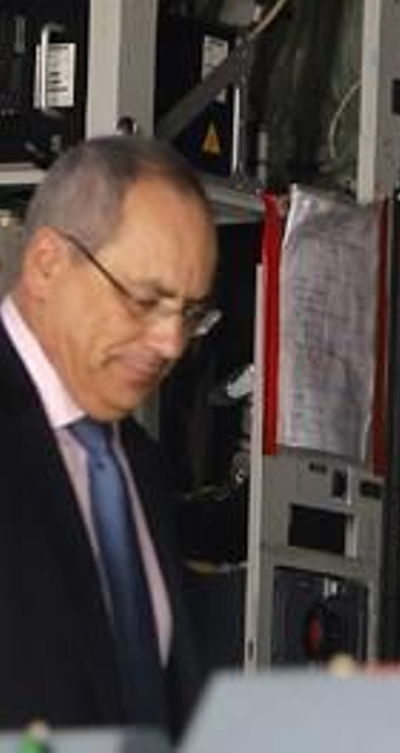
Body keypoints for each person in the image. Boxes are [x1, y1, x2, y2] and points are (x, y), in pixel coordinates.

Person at [0, 136, 218, 733]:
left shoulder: (136, 468)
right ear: (47, 264)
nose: (170, 343)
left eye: (191, 313)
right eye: (145, 301)